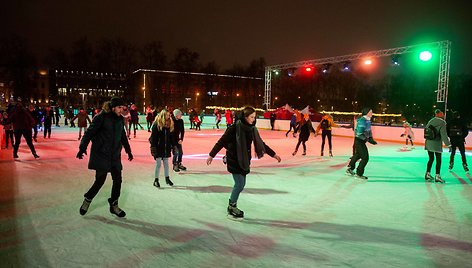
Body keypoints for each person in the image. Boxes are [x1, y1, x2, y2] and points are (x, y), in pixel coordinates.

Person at [207, 106, 282, 219]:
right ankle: (231, 206)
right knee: (239, 184)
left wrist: (274, 154)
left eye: (254, 117)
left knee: (241, 185)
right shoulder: (234, 128)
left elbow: (262, 144)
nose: (253, 119)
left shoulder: (251, 129)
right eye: (251, 117)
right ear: (245, 117)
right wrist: (211, 155)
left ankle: (232, 204)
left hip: (245, 160)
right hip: (234, 159)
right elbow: (222, 141)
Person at [76, 96, 133, 217]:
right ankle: (88, 199)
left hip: (115, 155)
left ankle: (114, 204)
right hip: (102, 154)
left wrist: (128, 150)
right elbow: (89, 133)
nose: (121, 110)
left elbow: (122, 136)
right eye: (119, 107)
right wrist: (82, 147)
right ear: (112, 107)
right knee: (100, 181)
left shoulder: (119, 120)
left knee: (118, 180)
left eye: (122, 107)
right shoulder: (101, 117)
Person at [346, 108, 377, 180]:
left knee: (358, 155)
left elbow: (369, 131)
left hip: (361, 141)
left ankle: (350, 169)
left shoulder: (368, 121)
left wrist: (371, 138)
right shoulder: (362, 120)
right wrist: (368, 139)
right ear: (367, 113)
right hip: (359, 140)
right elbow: (359, 133)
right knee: (365, 158)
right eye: (371, 112)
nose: (372, 113)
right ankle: (359, 173)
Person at [424, 109, 451, 183]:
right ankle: (437, 176)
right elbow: (444, 135)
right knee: (438, 160)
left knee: (431, 159)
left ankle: (427, 174)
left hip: (428, 143)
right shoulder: (442, 122)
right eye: (442, 113)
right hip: (436, 144)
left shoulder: (430, 121)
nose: (443, 115)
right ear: (438, 114)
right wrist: (448, 145)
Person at [150, 109, 175, 188]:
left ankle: (167, 178)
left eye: (169, 115)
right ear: (163, 115)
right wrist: (153, 148)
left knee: (166, 164)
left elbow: (171, 137)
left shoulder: (169, 125)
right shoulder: (157, 125)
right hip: (158, 148)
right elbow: (153, 138)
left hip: (166, 148)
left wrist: (173, 146)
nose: (169, 116)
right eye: (167, 115)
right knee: (158, 164)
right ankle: (156, 180)